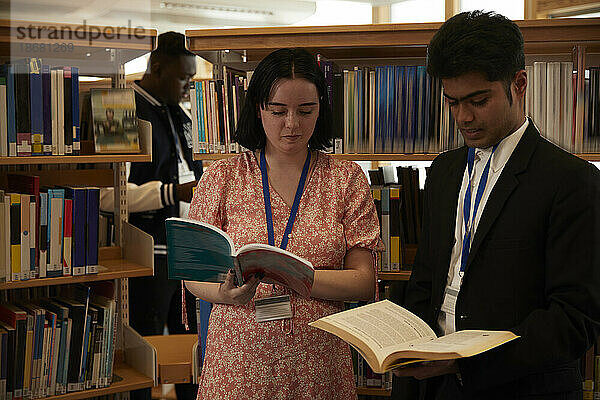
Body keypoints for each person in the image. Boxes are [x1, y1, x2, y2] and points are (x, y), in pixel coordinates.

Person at [392, 10, 600, 400]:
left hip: (518, 387)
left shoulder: (572, 181)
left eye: (478, 100)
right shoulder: (443, 171)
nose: (463, 117)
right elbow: (424, 284)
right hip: (433, 386)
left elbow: (575, 319)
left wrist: (464, 361)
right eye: (452, 103)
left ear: (518, 84)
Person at [184, 48, 383, 399]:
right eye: (278, 111)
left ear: (321, 110)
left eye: (306, 111)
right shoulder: (222, 177)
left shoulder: (346, 179)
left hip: (319, 363)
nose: (292, 124)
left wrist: (296, 277)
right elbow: (194, 274)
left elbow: (364, 283)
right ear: (259, 109)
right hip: (238, 362)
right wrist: (223, 293)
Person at [99, 31, 202, 400]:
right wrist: (172, 193)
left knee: (194, 347)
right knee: (144, 351)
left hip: (190, 247)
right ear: (155, 68)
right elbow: (109, 196)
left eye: (192, 79)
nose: (189, 87)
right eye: (183, 78)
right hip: (147, 253)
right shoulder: (117, 107)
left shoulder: (180, 113)